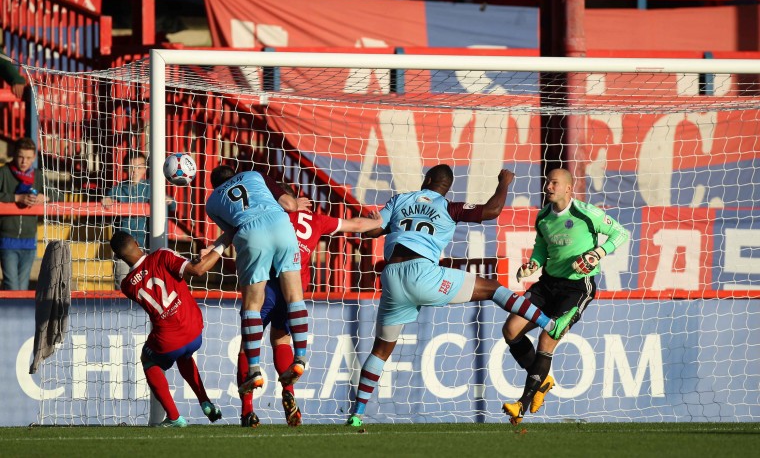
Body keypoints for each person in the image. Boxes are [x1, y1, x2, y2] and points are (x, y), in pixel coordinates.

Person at [345, 165, 578, 427]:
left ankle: (356, 415)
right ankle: (550, 324)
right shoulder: (448, 207)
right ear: (446, 187)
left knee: (380, 350)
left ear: (428, 180)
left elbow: (375, 229)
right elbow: (492, 211)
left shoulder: (400, 200)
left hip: (392, 277)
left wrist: (365, 221)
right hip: (422, 274)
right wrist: (504, 182)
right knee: (492, 288)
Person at [235, 182, 382, 428]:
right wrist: (377, 222)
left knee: (246, 345)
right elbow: (355, 225)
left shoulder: (273, 215)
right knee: (281, 340)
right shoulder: (316, 219)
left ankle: (247, 410)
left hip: (268, 285)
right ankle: (289, 391)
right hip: (294, 291)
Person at [502, 168, 629, 425]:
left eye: (554, 183)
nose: (548, 186)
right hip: (547, 284)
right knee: (511, 330)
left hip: (576, 288)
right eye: (547, 182)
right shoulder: (544, 218)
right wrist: (531, 265)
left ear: (569, 188)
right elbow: (540, 250)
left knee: (547, 337)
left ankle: (521, 406)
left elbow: (621, 233)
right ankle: (543, 380)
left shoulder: (586, 213)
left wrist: (597, 253)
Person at [205, 165, 310, 398]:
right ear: (235, 174)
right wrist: (294, 203)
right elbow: (289, 205)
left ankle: (254, 369)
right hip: (281, 225)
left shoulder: (212, 203)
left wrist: (213, 248)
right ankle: (300, 357)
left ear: (215, 185)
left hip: (251, 233)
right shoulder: (255, 175)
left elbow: (231, 232)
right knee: (294, 295)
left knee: (253, 304)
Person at [110, 229, 228, 427]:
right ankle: (205, 402)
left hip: (168, 341)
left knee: (148, 359)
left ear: (118, 257)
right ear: (137, 244)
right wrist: (219, 246)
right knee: (184, 355)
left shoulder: (127, 285)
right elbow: (195, 270)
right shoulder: (163, 255)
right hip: (194, 330)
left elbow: (146, 279)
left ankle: (174, 417)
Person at [102, 152, 176, 288]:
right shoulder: (118, 189)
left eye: (139, 167)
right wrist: (107, 200)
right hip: (124, 248)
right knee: (123, 284)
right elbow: (107, 201)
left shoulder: (151, 187)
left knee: (151, 284)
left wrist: (169, 201)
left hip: (148, 245)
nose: (134, 171)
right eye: (130, 167)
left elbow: (173, 205)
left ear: (145, 169)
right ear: (125, 168)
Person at [0, 137, 47, 290]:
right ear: (14, 154)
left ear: (34, 157)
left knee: (23, 286)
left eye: (28, 158)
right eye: (20, 156)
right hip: (7, 239)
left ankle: (18, 314)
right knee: (12, 286)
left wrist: (45, 196)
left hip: (29, 240)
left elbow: (57, 193)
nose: (24, 161)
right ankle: (8, 314)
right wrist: (16, 198)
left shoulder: (38, 175)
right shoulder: (3, 172)